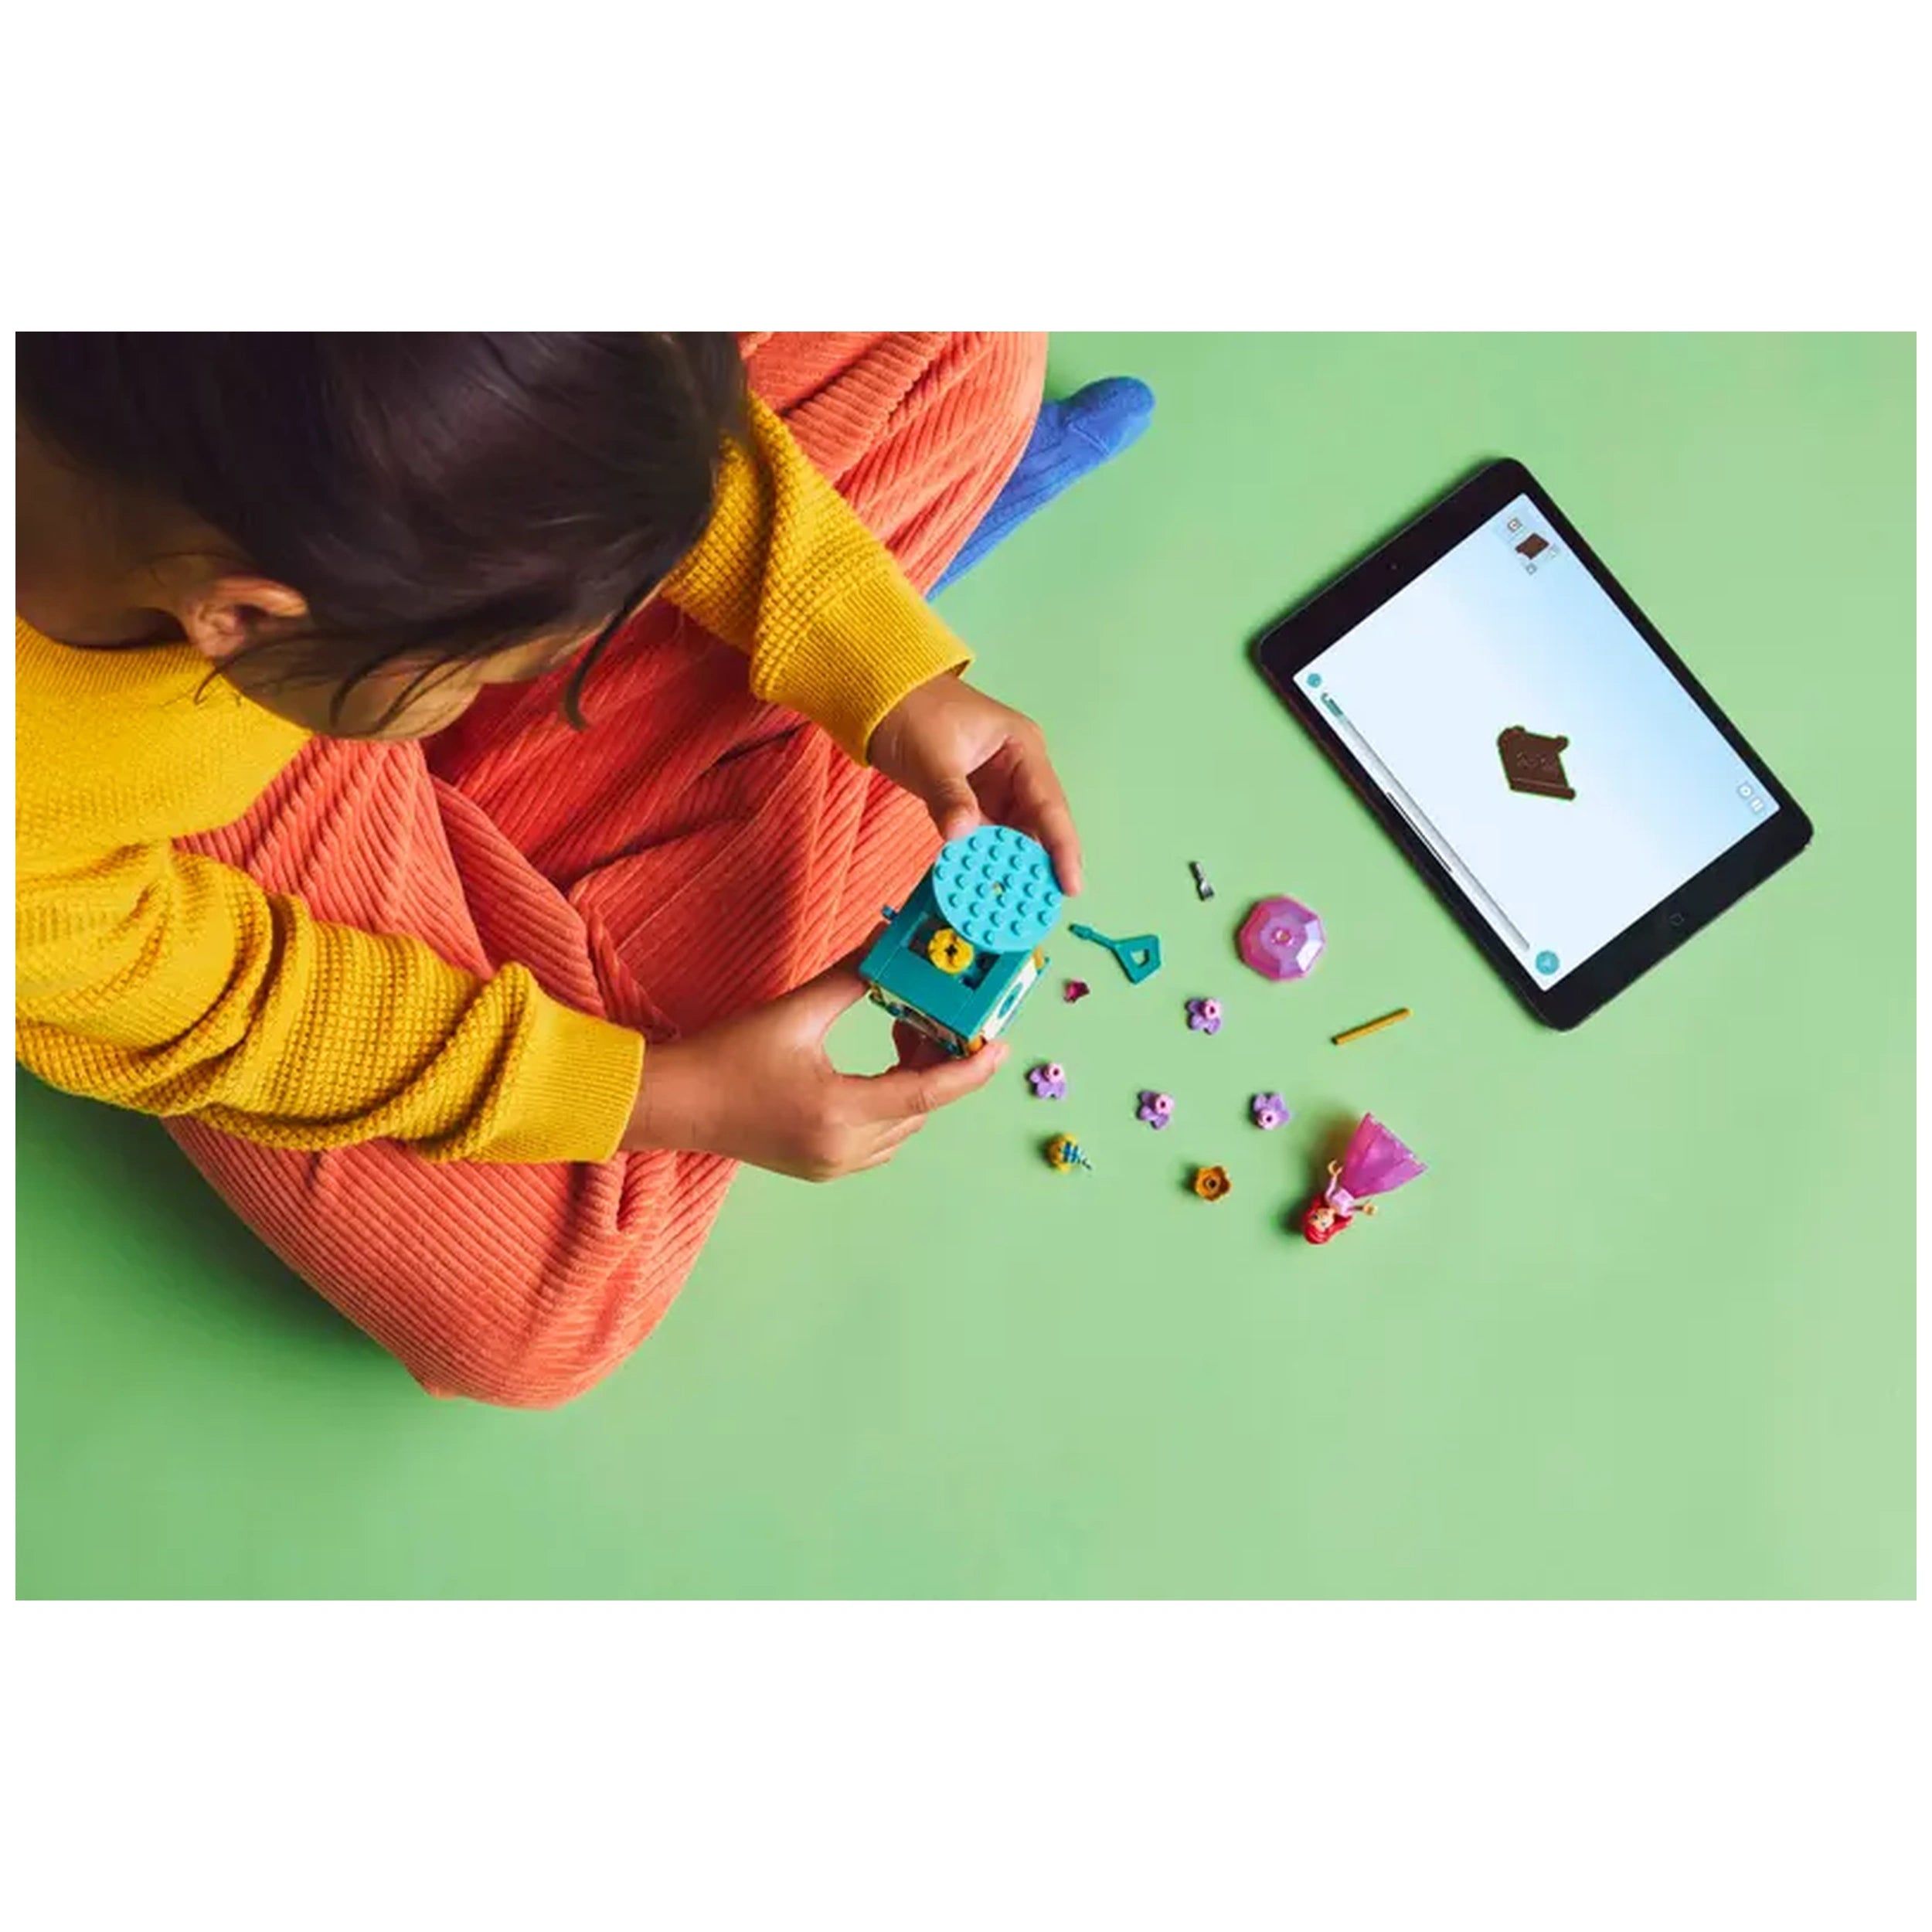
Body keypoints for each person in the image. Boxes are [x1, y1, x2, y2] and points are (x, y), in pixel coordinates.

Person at [16, 332, 1151, 1406]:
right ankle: (722, 748)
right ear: (247, 617)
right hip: (145, 845)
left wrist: (879, 665)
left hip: (327, 644)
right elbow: (245, 1007)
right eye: (500, 668)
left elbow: (567, 406)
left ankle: (691, 758)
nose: (563, 661)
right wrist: (663, 1095)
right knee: (563, 1298)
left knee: (964, 340)